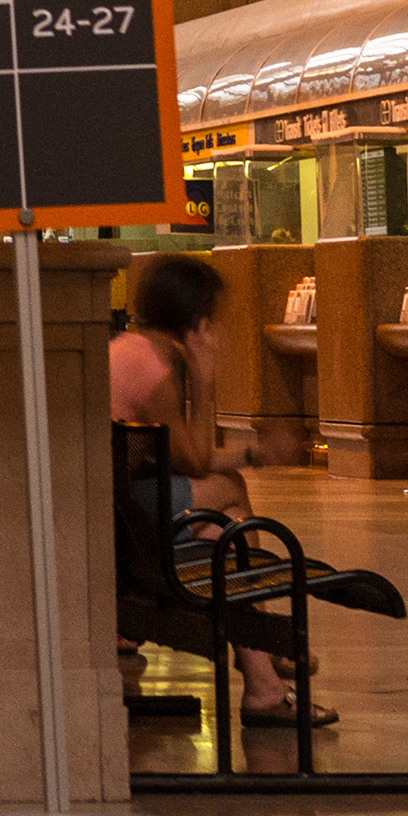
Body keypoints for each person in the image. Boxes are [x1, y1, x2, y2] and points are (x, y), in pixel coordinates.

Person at [105, 253, 324, 731]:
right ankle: (263, 665)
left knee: (219, 528)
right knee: (231, 497)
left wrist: (253, 454)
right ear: (197, 318)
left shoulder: (131, 349)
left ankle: (263, 677)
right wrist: (205, 380)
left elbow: (180, 459)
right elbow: (199, 461)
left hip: (116, 514)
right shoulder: (154, 369)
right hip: (130, 529)